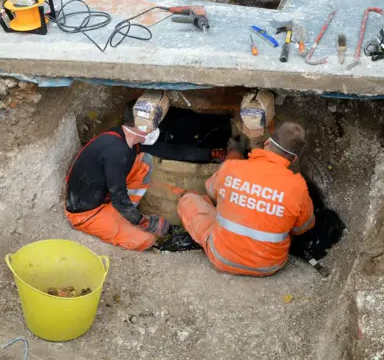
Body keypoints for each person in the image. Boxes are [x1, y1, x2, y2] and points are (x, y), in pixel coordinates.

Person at [176, 122, 315, 276]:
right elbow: (302, 228)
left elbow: (211, 192)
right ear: (294, 159)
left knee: (188, 199)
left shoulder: (232, 168)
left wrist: (238, 195)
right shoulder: (298, 187)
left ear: (267, 142)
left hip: (223, 257)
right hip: (269, 266)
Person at [65, 102, 171, 251]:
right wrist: (145, 223)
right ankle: (125, 216)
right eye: (153, 124)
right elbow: (118, 198)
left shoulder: (121, 136)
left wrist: (207, 154)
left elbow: (165, 150)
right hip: (88, 213)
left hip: (103, 195)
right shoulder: (116, 152)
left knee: (144, 162)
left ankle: (128, 211)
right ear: (142, 128)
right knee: (147, 239)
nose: (155, 129)